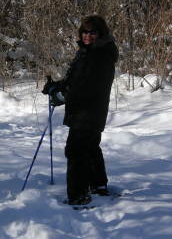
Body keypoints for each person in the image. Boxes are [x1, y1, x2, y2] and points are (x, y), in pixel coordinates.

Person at [43, 15, 119, 205]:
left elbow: (88, 86)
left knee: (76, 151)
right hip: (86, 110)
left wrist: (62, 95)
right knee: (90, 147)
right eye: (84, 31)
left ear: (100, 34)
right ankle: (98, 186)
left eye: (92, 32)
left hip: (88, 110)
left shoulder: (100, 55)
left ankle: (78, 196)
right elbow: (75, 80)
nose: (87, 35)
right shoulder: (87, 52)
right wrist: (57, 86)